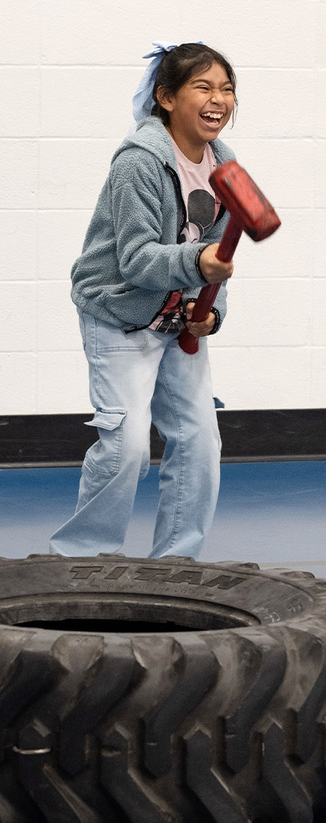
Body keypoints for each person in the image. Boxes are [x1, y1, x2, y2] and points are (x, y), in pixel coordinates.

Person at [49, 42, 238, 561]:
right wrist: (199, 264)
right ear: (166, 97)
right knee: (125, 445)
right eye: (203, 86)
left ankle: (175, 563)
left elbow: (218, 258)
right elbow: (135, 261)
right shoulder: (139, 163)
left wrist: (212, 312)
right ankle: (81, 561)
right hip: (120, 317)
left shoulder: (226, 166)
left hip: (177, 321)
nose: (217, 98)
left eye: (226, 88)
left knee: (201, 445)